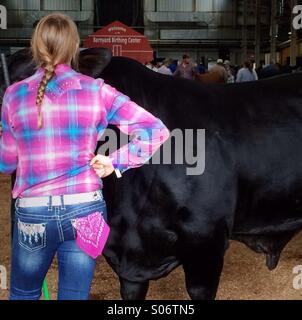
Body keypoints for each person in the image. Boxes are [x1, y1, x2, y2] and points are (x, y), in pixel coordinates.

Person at [0, 13, 170, 300]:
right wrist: (114, 162)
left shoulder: (14, 95)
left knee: (24, 294)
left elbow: (6, 164)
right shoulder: (97, 90)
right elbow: (155, 130)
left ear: (35, 46)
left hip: (33, 211)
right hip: (86, 210)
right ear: (74, 47)